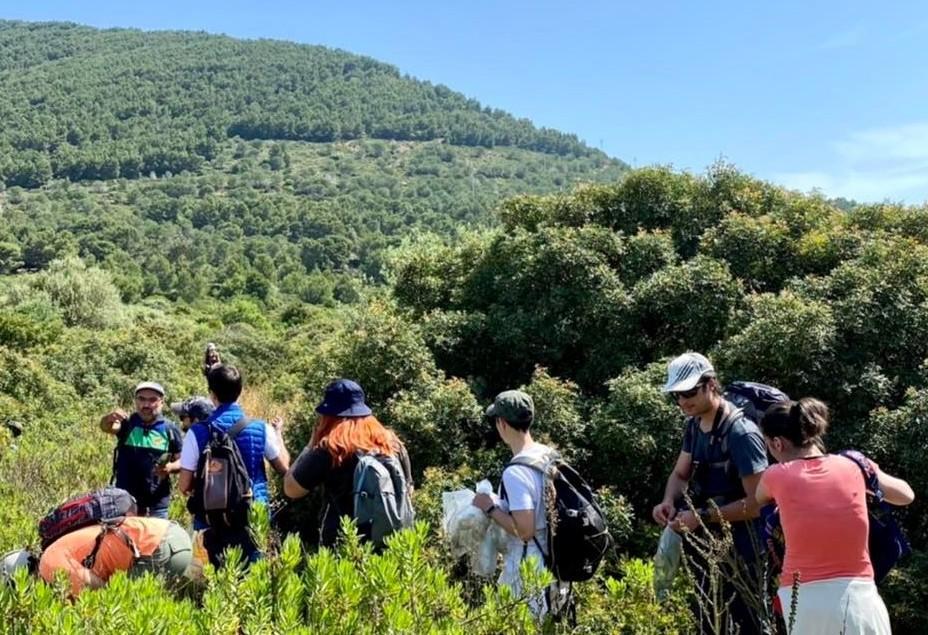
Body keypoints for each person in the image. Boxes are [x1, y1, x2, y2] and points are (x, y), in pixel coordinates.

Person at [755, 398, 914, 634]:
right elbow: (906, 495)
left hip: (803, 600)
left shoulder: (775, 475)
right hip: (858, 597)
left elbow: (760, 499)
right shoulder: (854, 465)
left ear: (777, 443)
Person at [651, 352, 768, 634]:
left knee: (747, 623)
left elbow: (758, 503)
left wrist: (701, 517)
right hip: (706, 545)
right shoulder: (693, 425)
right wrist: (667, 501)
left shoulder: (741, 434)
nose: (682, 401)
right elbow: (681, 474)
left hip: (744, 549)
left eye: (689, 392)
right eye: (676, 395)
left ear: (711, 384)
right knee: (708, 621)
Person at [178, 365, 290, 566]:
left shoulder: (197, 432)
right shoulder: (260, 428)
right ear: (241, 391)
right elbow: (284, 468)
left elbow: (184, 485)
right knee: (255, 575)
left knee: (216, 575)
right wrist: (278, 434)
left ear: (212, 394)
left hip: (212, 518)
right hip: (253, 513)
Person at [471, 389, 566, 618]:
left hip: (528, 569)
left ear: (502, 424)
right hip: (556, 564)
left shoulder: (516, 473)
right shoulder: (548, 455)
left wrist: (489, 507)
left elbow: (525, 529)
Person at [283, 379, 412, 548]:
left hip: (343, 548)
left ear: (328, 415)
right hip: (391, 545)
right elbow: (407, 491)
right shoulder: (392, 443)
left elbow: (291, 489)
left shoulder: (331, 448)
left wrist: (310, 446)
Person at [36, 516, 192, 596]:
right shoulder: (55, 549)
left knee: (126, 607)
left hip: (158, 547)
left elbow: (96, 591)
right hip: (173, 535)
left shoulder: (49, 564)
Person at [99, 382, 183, 518]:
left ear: (161, 402)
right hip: (125, 500)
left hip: (157, 503)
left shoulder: (170, 429)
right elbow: (106, 427)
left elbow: (181, 460)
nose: (146, 405)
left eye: (152, 400)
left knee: (156, 539)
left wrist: (170, 467)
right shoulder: (128, 424)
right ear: (136, 401)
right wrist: (110, 418)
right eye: (141, 399)